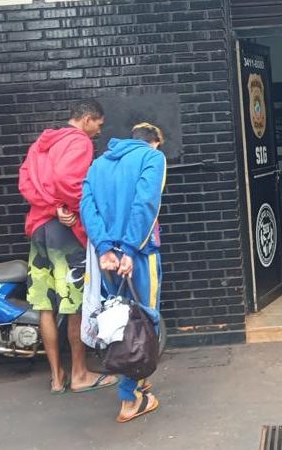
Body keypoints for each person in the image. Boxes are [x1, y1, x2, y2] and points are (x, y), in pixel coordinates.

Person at [18, 99, 118, 394]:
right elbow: (67, 180)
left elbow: (25, 184)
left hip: (39, 228)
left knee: (46, 305)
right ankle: (79, 374)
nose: (99, 131)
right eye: (98, 124)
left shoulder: (41, 144)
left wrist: (51, 208)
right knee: (75, 304)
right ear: (87, 119)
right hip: (65, 233)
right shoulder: (79, 141)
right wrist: (71, 208)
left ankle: (56, 377)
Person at [80, 122, 166, 423]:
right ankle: (130, 398)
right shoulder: (153, 157)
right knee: (142, 321)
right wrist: (129, 249)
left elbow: (87, 206)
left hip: (107, 258)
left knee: (116, 321)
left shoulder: (98, 164)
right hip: (138, 253)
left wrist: (105, 248)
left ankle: (138, 381)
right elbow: (146, 203)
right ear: (155, 142)